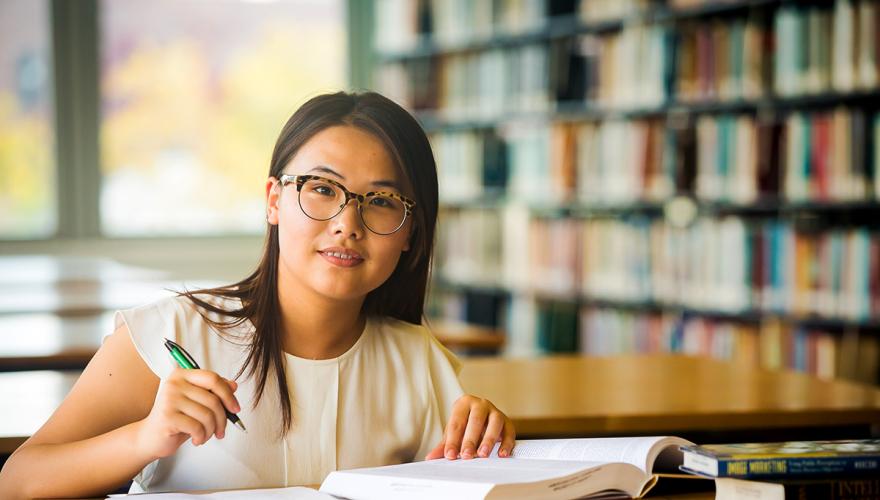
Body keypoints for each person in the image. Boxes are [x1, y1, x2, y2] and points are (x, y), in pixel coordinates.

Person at [0, 91, 516, 499]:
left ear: (410, 233)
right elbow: (17, 481)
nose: (347, 224)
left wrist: (486, 444)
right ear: (274, 200)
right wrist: (146, 437)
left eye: (380, 200)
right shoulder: (170, 336)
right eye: (321, 188)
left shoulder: (420, 362)